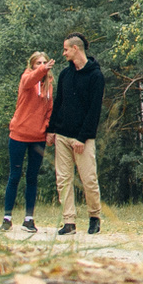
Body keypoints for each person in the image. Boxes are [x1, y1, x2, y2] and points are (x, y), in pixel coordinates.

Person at [48, 31, 107, 236]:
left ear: (75, 48)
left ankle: (94, 217)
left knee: (88, 179)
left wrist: (82, 137)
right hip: (62, 136)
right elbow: (59, 103)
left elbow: (94, 110)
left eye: (65, 49)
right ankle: (69, 222)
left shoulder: (96, 76)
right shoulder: (65, 74)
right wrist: (51, 130)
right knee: (63, 179)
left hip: (83, 137)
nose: (63, 53)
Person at [0, 52, 52, 233]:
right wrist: (42, 70)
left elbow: (49, 110)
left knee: (32, 177)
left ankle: (28, 219)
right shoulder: (26, 78)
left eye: (45, 62)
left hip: (38, 138)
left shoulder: (48, 85)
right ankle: (7, 218)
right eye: (38, 62)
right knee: (14, 176)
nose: (42, 65)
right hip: (19, 135)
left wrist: (45, 128)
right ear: (32, 65)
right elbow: (29, 81)